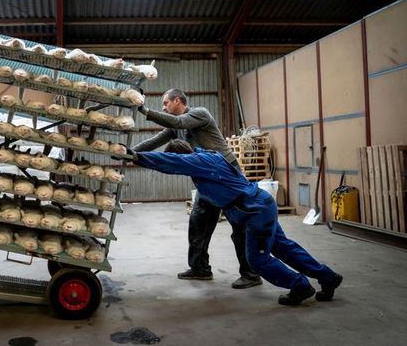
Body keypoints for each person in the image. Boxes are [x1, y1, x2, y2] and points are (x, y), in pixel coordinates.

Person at [130, 139, 343, 306]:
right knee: (282, 247)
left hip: (255, 212)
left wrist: (138, 156)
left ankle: (300, 286)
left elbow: (172, 162)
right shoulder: (205, 156)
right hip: (259, 206)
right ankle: (328, 277)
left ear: (185, 157)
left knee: (257, 261)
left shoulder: (200, 162)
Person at [133, 89, 261, 289]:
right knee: (198, 222)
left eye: (166, 103)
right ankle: (200, 268)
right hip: (206, 179)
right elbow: (154, 142)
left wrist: (145, 111)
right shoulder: (176, 128)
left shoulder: (199, 113)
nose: (164, 107)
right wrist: (128, 153)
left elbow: (178, 122)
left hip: (226, 175)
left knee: (239, 226)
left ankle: (251, 274)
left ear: (178, 100)